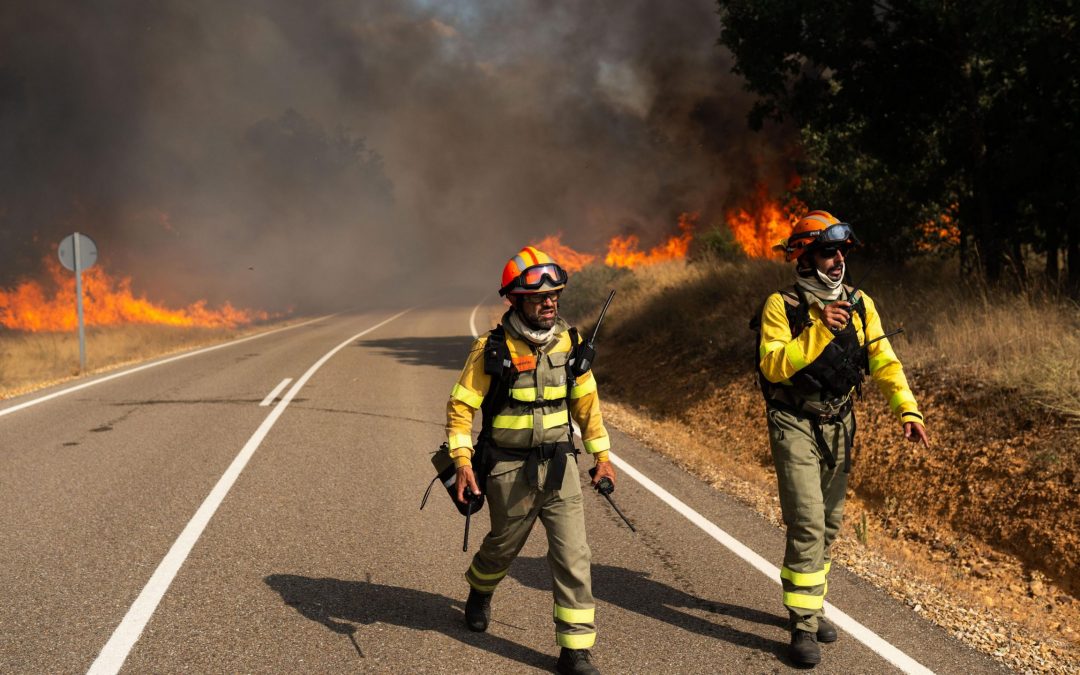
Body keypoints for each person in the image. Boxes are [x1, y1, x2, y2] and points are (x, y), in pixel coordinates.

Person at [756, 211, 929, 667]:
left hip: (840, 423)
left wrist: (906, 408)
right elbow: (773, 365)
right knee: (808, 521)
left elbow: (884, 360)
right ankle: (802, 623)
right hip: (794, 421)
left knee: (829, 524)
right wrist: (819, 330)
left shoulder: (860, 302)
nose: (838, 261)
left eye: (842, 252)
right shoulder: (782, 305)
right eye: (828, 252)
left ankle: (813, 601)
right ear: (805, 256)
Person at [445, 245, 616, 675]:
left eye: (555, 294)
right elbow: (461, 407)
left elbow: (588, 407)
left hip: (560, 468)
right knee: (502, 548)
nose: (549, 301)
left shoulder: (571, 343)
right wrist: (462, 462)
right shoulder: (492, 348)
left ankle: (575, 650)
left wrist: (602, 457)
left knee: (574, 555)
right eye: (540, 296)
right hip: (507, 469)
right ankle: (480, 589)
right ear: (515, 299)